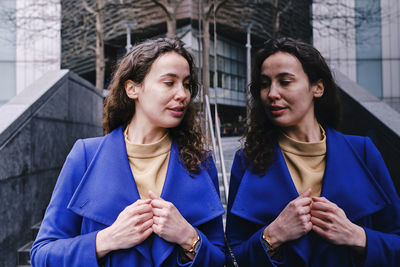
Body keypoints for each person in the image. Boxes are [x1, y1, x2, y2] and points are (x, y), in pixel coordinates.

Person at [31, 38, 225, 267]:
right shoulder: (85, 155)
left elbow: (219, 258)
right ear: (132, 88)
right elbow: (42, 254)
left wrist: (189, 238)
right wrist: (107, 239)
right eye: (169, 82)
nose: (182, 94)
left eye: (186, 84)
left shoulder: (200, 162)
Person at [226, 37, 400, 266]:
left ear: (317, 87)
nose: (272, 93)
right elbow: (232, 257)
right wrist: (272, 236)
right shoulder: (247, 160)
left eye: (285, 81)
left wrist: (357, 236)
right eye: (265, 83)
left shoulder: (363, 152)